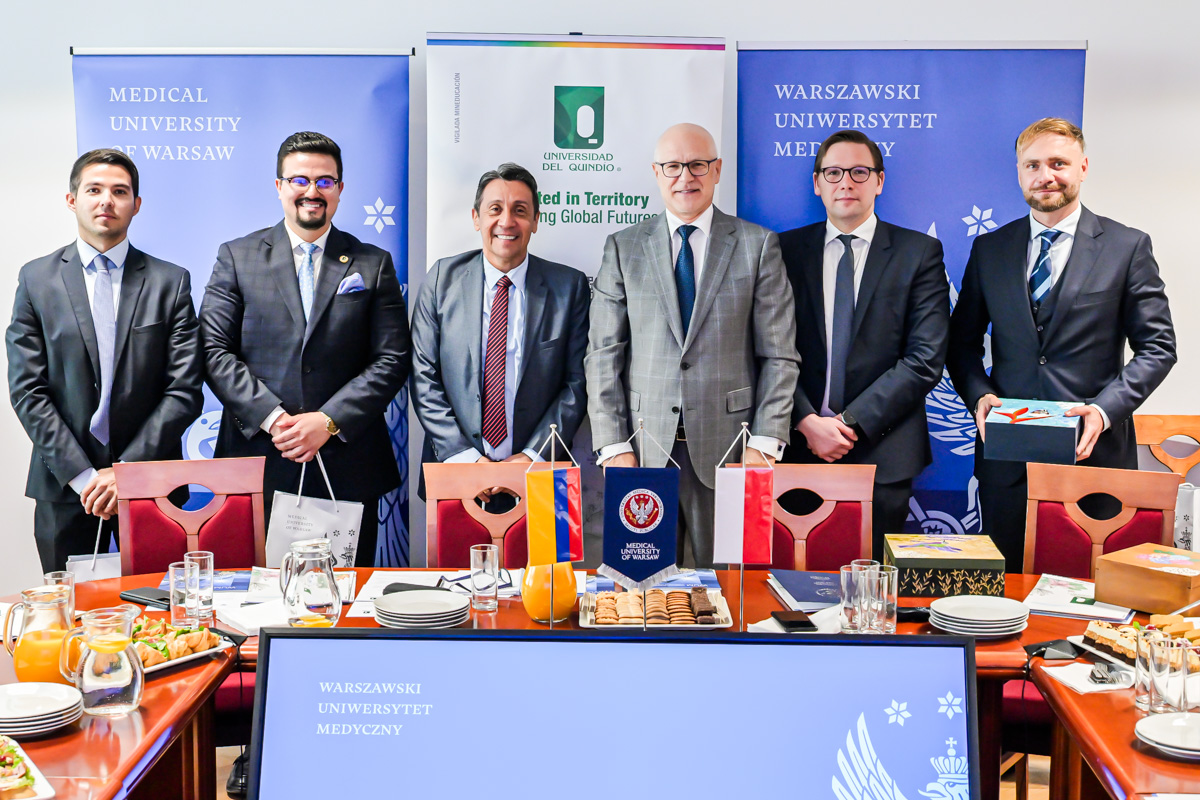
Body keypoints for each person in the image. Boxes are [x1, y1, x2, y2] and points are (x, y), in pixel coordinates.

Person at [947, 117, 1176, 570]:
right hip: (1006, 463)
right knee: (1006, 589)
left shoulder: (1127, 246)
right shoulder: (991, 249)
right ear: (1019, 172)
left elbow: (1158, 347)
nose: (1045, 176)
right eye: (1032, 165)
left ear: (1083, 167)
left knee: (1089, 592)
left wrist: (1104, 411)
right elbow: (960, 344)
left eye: (1058, 163)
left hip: (1094, 459)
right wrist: (979, 396)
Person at [586, 123, 800, 568]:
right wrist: (613, 445)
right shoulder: (623, 248)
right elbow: (603, 355)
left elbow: (779, 356)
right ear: (657, 173)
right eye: (673, 166)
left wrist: (764, 442)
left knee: (731, 586)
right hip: (642, 451)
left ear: (717, 170)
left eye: (698, 165)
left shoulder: (757, 245)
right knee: (642, 586)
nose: (685, 176)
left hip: (732, 451)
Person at [200, 131, 410, 569]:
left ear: (340, 189)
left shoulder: (373, 263)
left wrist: (328, 421)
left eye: (324, 181)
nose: (312, 191)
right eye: (299, 180)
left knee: (346, 596)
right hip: (259, 458)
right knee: (253, 596)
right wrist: (276, 420)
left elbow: (392, 359)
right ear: (279, 186)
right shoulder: (237, 257)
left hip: (347, 462)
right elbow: (214, 350)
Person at [7, 149, 203, 572]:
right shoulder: (36, 279)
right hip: (65, 487)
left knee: (159, 605)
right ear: (72, 199)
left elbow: (184, 391)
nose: (106, 201)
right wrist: (84, 476)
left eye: (120, 191)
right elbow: (28, 391)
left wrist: (126, 472)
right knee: (71, 609)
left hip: (152, 486)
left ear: (136, 204)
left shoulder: (170, 282)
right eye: (94, 190)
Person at [779, 130, 949, 558]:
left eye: (859, 172)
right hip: (797, 447)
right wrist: (806, 421)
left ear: (879, 181)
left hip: (883, 450)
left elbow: (924, 359)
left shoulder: (918, 252)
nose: (846, 183)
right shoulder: (782, 251)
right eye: (833, 173)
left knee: (873, 587)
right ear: (817, 183)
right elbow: (765, 349)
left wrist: (850, 424)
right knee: (793, 580)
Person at [411, 163, 590, 507]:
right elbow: (423, 375)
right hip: (455, 471)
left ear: (536, 220)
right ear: (476, 218)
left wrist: (533, 456)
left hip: (539, 475)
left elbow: (577, 382)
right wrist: (466, 460)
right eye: (495, 209)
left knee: (545, 548)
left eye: (520, 210)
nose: (506, 221)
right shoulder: (442, 279)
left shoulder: (569, 287)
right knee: (456, 548)